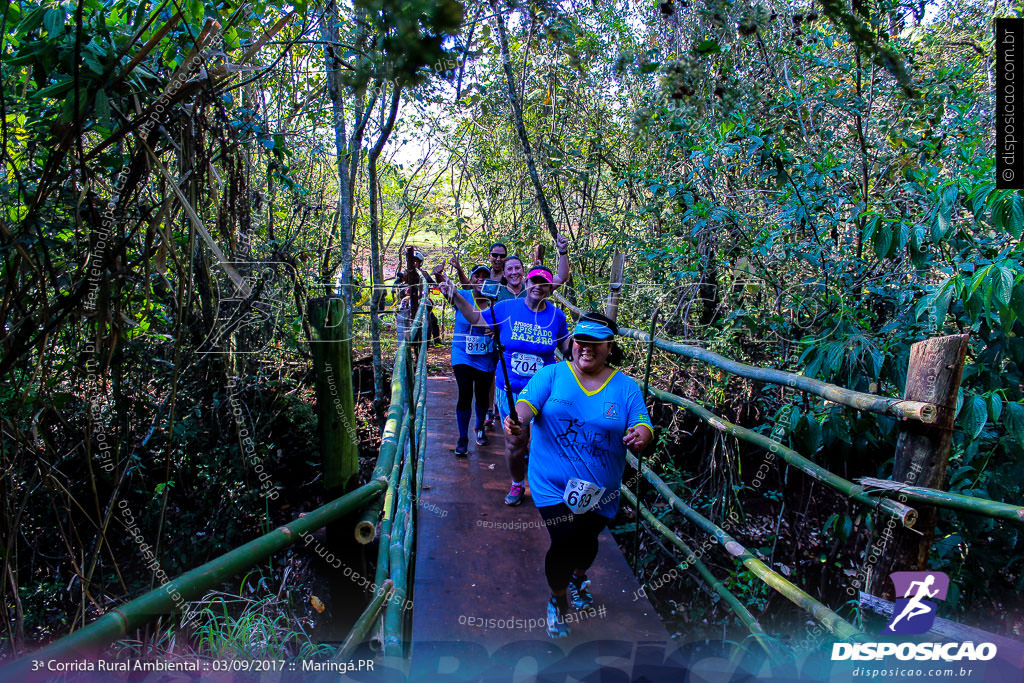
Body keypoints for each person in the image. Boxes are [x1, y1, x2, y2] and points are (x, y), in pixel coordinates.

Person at [504, 312, 654, 638]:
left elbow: (643, 424)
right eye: (580, 342)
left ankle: (577, 577)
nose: (585, 349)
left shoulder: (625, 388)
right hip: (551, 484)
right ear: (571, 343)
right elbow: (526, 407)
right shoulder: (552, 374)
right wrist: (516, 420)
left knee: (586, 544)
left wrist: (642, 435)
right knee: (564, 539)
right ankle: (558, 602)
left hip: (600, 489)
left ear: (609, 347)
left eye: (594, 344)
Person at [440, 266, 570, 506]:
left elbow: (567, 349)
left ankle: (546, 483)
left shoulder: (556, 317)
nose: (538, 286)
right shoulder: (506, 308)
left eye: (544, 283)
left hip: (544, 391)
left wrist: (591, 348)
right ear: (527, 283)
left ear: (551, 289)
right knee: (515, 441)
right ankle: (518, 483)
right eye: (535, 281)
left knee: (544, 440)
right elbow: (477, 319)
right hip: (510, 389)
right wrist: (457, 296)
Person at [437, 264, 497, 455]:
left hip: (485, 355)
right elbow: (447, 290)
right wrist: (439, 275)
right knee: (465, 394)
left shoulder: (496, 302)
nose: (480, 279)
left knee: (481, 395)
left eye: (484, 276)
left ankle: (479, 427)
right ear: (470, 280)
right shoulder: (463, 295)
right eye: (476, 276)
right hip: (462, 353)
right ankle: (462, 438)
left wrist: (496, 329)